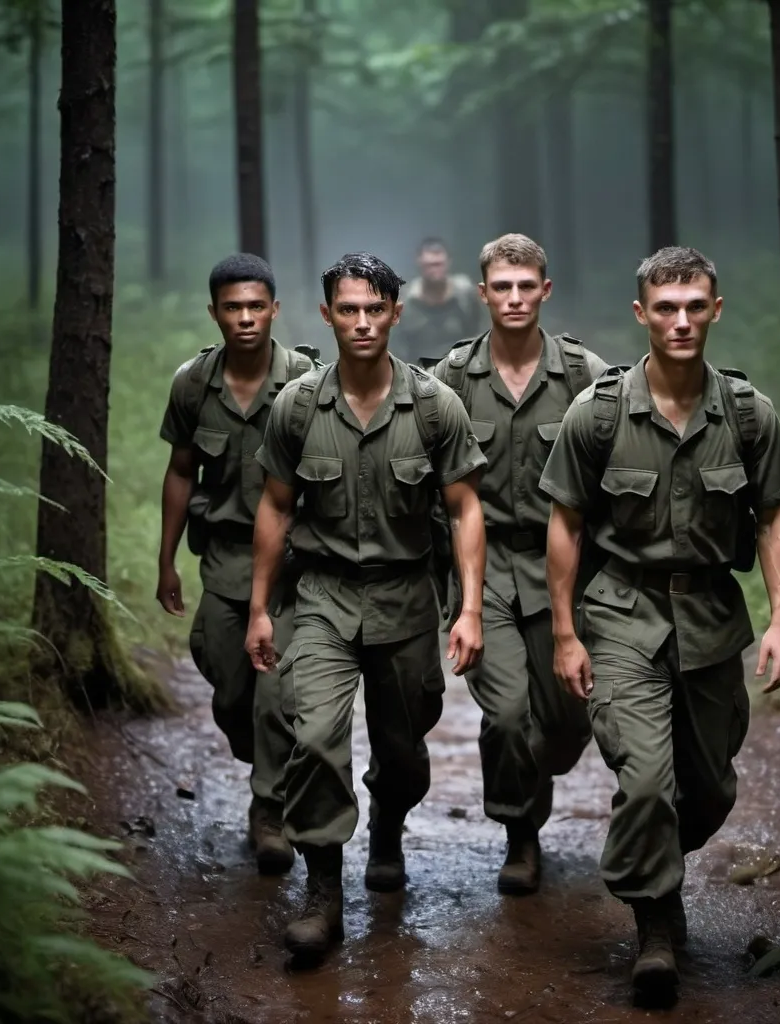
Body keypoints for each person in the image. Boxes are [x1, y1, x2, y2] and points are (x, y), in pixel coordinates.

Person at [539, 246, 780, 1004]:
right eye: (666, 307)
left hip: (713, 617)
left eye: (694, 306)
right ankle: (655, 927)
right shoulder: (598, 413)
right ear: (641, 314)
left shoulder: (748, 415)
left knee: (709, 790)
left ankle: (653, 859)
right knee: (646, 782)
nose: (681, 321)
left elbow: (775, 516)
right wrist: (565, 632)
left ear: (715, 310)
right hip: (623, 612)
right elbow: (565, 521)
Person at [246, 252, 488, 964]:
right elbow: (275, 505)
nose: (361, 322)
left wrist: (470, 607)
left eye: (373, 309)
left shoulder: (435, 406)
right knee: (315, 736)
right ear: (326, 315)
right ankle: (322, 894)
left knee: (405, 752)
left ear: (395, 312)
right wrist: (261, 608)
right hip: (321, 594)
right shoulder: (297, 405)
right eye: (347, 309)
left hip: (405, 595)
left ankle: (388, 821)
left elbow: (466, 508)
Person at [430, 233, 609, 896]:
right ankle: (520, 835)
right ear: (482, 294)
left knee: (566, 721)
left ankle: (536, 779)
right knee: (509, 716)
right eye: (501, 287)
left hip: (567, 569)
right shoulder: (450, 379)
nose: (513, 298)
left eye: (525, 285)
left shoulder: (585, 376)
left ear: (545, 290)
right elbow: (432, 489)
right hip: (487, 567)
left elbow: (615, 478)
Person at [157, 253, 318, 875]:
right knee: (231, 691)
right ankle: (266, 760)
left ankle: (269, 812)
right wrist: (166, 561)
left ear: (274, 309)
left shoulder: (306, 380)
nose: (246, 318)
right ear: (215, 312)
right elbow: (179, 472)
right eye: (233, 308)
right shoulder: (194, 384)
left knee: (276, 694)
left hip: (294, 569)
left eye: (256, 306)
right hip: (224, 558)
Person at [393, 237, 483, 360]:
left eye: (438, 264)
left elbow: (478, 333)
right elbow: (399, 346)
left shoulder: (465, 293)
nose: (435, 270)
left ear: (448, 262)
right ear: (419, 263)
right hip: (418, 370)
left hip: (461, 366)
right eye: (430, 265)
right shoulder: (406, 300)